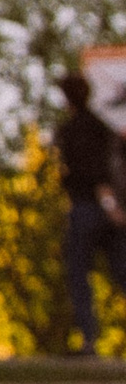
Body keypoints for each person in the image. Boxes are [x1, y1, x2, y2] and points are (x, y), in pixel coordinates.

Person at [57, 71, 126, 356]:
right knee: (121, 273)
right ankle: (88, 339)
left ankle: (89, 340)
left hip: (91, 210)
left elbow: (93, 172)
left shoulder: (77, 130)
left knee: (79, 273)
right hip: (111, 211)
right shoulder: (103, 128)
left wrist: (110, 205)